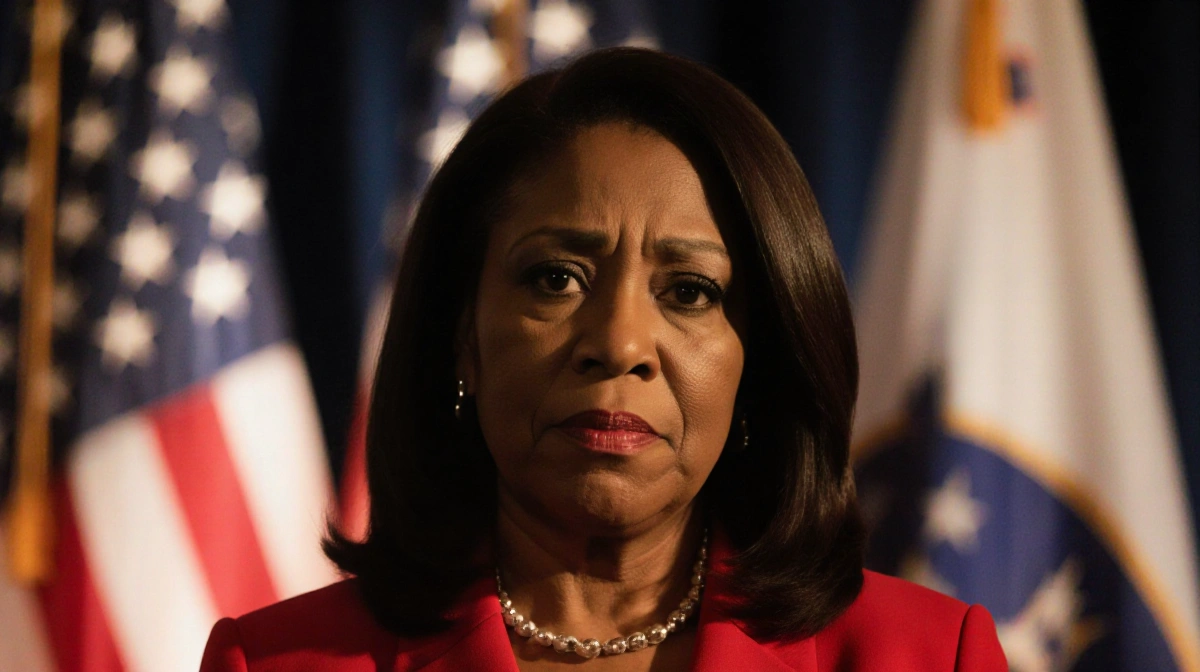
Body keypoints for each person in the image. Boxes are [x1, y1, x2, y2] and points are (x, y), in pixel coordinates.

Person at [200, 47, 1007, 671]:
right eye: (556, 279)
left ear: (760, 359)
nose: (619, 346)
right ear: (464, 340)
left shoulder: (929, 655)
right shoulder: (274, 662)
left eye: (689, 291)